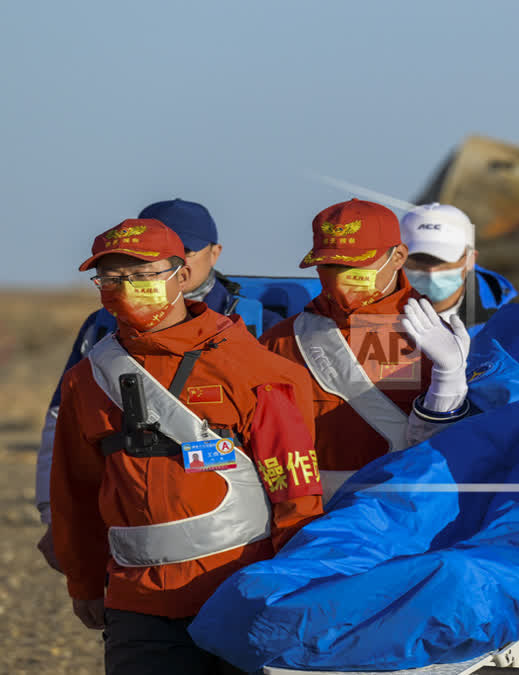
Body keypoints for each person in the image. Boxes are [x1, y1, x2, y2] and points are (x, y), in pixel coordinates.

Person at [188, 243, 519, 672]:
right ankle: (277, 621)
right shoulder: (508, 340)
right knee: (332, 549)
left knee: (465, 581)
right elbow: (448, 433)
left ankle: (307, 637)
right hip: (435, 489)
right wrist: (448, 381)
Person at [51, 218, 323, 674]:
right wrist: (83, 582)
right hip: (137, 602)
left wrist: (297, 583)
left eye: (143, 275)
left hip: (241, 591)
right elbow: (75, 493)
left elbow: (294, 486)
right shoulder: (87, 380)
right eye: (112, 278)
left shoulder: (249, 367)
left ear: (182, 275)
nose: (127, 288)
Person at [35, 198, 288, 572]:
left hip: (241, 545)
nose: (137, 282)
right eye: (127, 267)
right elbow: (64, 424)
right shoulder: (102, 327)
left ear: (214, 253)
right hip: (132, 538)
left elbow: (285, 442)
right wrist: (53, 514)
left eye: (184, 250)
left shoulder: (257, 323)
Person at [258, 198, 469, 498]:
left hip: (405, 514)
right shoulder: (279, 341)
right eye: (329, 265)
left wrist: (451, 376)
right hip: (309, 521)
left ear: (397, 257)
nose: (341, 278)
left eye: (355, 264)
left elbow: (456, 449)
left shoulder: (439, 340)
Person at [399, 202, 517, 335]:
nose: (432, 271)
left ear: (470, 259)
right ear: (396, 258)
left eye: (443, 260)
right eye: (419, 259)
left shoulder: (510, 321)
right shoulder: (373, 307)